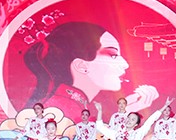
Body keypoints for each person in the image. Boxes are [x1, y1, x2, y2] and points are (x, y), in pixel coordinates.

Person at [23, 20, 158, 122]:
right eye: (113, 55)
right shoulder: (62, 108)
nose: (125, 64)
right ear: (82, 66)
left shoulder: (82, 104)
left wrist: (126, 110)